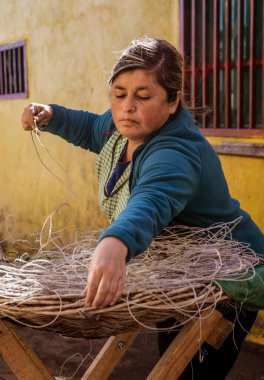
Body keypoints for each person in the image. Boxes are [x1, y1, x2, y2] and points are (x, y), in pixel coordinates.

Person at [22, 37, 264, 379]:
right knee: (170, 356)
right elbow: (90, 127)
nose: (126, 107)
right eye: (119, 94)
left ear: (173, 101)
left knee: (192, 372)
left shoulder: (176, 152)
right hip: (177, 270)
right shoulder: (121, 128)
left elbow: (152, 198)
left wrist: (115, 242)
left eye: (144, 96)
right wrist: (51, 115)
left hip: (229, 276)